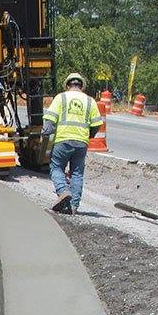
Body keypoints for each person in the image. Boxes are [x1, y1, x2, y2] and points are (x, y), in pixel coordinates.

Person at [42, 72, 103, 214]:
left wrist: (45, 134)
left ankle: (63, 191)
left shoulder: (61, 98)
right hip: (81, 143)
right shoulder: (90, 101)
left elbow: (50, 120)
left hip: (63, 141)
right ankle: (74, 206)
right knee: (77, 173)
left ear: (68, 85)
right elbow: (97, 124)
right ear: (81, 86)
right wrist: (89, 135)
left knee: (56, 167)